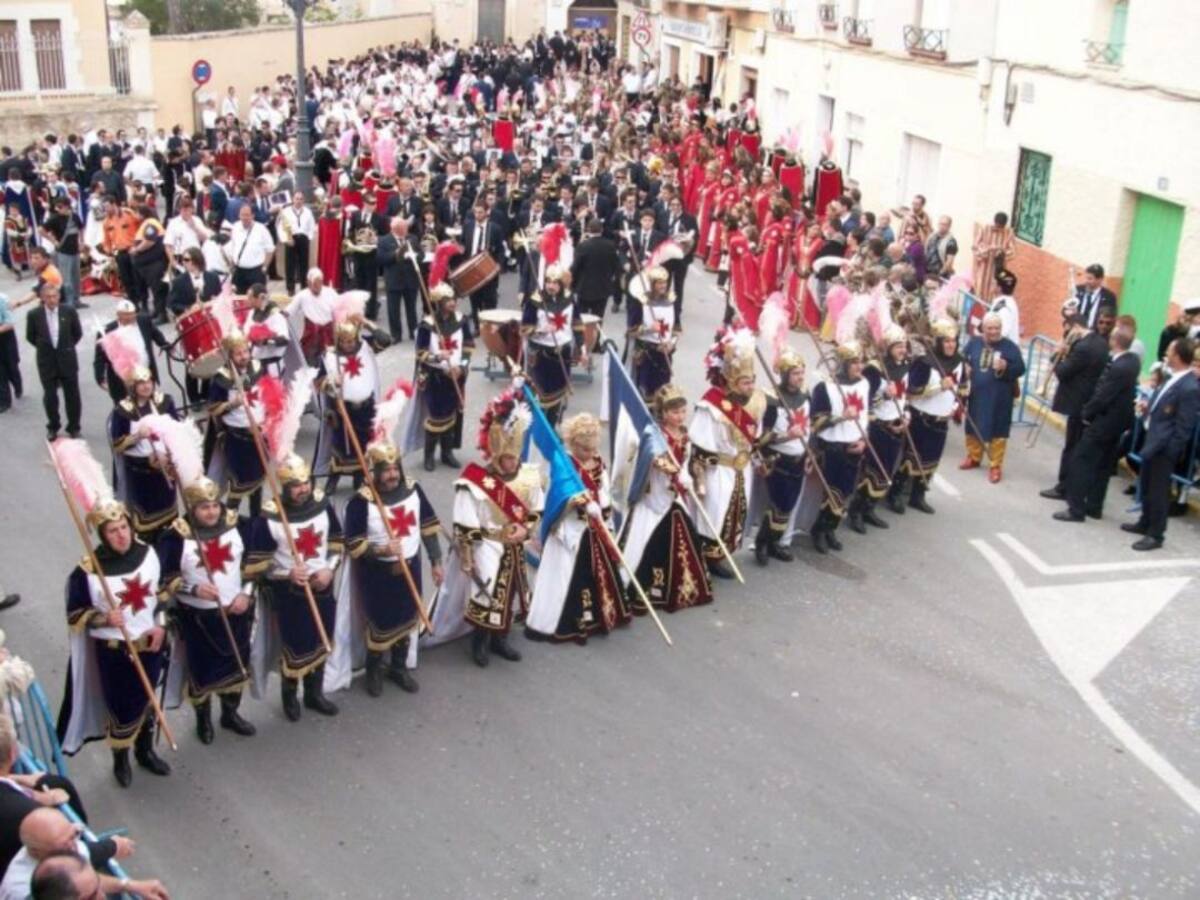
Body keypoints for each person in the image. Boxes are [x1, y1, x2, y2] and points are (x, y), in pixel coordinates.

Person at [62, 496, 170, 787]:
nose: (122, 535)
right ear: (102, 535)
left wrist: (160, 626)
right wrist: (104, 619)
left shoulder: (148, 553)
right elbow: (75, 614)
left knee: (148, 701)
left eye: (124, 527)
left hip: (150, 645)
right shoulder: (87, 572)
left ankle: (145, 751)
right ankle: (121, 760)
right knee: (122, 708)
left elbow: (159, 596)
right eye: (113, 531)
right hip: (115, 654)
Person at [157, 475, 256, 744]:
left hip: (236, 611)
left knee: (237, 665)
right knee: (202, 670)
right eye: (204, 507)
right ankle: (203, 720)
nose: (211, 511)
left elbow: (255, 564)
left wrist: (245, 595)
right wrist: (193, 589)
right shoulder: (176, 537)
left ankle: (230, 713)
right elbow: (165, 578)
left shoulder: (239, 524)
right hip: (199, 618)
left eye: (214, 505)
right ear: (192, 509)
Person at [246, 454, 343, 721]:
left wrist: (329, 568)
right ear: (285, 487)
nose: (304, 490)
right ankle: (290, 696)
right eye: (297, 486)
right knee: (295, 646)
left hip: (322, 587)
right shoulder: (270, 517)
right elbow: (256, 566)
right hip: (290, 595)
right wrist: (286, 573)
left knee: (322, 640)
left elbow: (337, 541)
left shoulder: (322, 504)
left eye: (306, 484)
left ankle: (314, 693)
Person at [344, 438, 443, 696]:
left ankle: (398, 667)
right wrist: (381, 549)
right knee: (381, 623)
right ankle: (374, 671)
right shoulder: (362, 502)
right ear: (374, 472)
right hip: (378, 575)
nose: (392, 475)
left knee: (408, 617)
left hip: (411, 567)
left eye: (395, 469)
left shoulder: (413, 489)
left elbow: (428, 526)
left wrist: (436, 561)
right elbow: (353, 544)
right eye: (386, 471)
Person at [526, 413, 630, 643]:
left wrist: (602, 507)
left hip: (595, 527)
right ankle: (558, 619)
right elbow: (555, 499)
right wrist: (573, 502)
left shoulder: (597, 462)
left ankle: (601, 615)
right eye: (585, 450)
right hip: (571, 529)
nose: (591, 454)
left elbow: (603, 489)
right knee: (567, 576)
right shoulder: (564, 466)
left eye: (594, 448)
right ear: (573, 444)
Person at [688, 330, 761, 578]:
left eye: (752, 381)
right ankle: (706, 558)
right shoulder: (711, 407)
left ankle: (721, 553)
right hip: (719, 471)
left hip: (741, 470)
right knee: (714, 514)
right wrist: (702, 473)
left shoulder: (750, 403)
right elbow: (699, 443)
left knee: (735, 512)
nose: (750, 387)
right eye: (745, 382)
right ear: (730, 380)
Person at [1053, 318, 1140, 523]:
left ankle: (1076, 508)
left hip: (1104, 422)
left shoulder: (1119, 367)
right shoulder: (1132, 361)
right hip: (1117, 423)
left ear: (1115, 341)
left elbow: (1103, 396)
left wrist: (1085, 414)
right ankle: (1094, 505)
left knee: (1082, 459)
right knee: (1103, 465)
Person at [1121, 337, 1200, 551]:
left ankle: (1156, 534)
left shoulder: (1189, 387)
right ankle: (1144, 521)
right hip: (1153, 440)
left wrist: (1171, 450)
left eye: (1170, 351)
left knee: (1158, 492)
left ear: (1178, 356)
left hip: (1164, 448)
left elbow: (1184, 426)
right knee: (1146, 485)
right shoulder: (1170, 378)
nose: (1166, 353)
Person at [890, 319, 968, 515]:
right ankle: (897, 494)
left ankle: (919, 495)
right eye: (947, 341)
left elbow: (964, 388)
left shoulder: (960, 362)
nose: (951, 345)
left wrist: (957, 406)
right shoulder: (925, 363)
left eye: (954, 341)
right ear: (939, 342)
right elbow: (912, 391)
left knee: (931, 459)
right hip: (921, 418)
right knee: (910, 459)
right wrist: (938, 387)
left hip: (941, 420)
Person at [3, 809, 168, 900]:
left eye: (74, 834)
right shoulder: (20, 891)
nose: (103, 898)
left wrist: (130, 885)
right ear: (36, 852)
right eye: (91, 897)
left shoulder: (63, 851)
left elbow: (84, 884)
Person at [1040, 308, 1113, 500]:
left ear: (1076, 327)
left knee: (1072, 447)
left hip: (1077, 402)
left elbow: (1062, 372)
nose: (1066, 336)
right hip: (1086, 401)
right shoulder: (1100, 342)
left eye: (1067, 331)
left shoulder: (1082, 347)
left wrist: (1060, 353)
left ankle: (1064, 486)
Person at [107, 357, 180, 544]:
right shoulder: (123, 411)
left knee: (171, 520)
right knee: (147, 522)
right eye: (141, 383)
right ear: (133, 387)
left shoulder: (165, 402)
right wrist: (138, 436)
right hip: (141, 474)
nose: (146, 387)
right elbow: (117, 444)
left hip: (166, 469)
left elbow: (178, 431)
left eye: (149, 382)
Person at [808, 341, 871, 553]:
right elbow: (814, 423)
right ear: (844, 364)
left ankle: (830, 529)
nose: (859, 366)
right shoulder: (825, 387)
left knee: (844, 492)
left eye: (860, 361)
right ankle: (819, 530)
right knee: (831, 493)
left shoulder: (864, 384)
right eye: (854, 362)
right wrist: (841, 417)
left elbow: (864, 418)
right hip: (832, 448)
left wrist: (864, 440)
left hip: (855, 446)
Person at [850, 327, 909, 534]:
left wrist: (906, 416)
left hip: (896, 426)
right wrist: (884, 395)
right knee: (871, 471)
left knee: (885, 472)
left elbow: (904, 399)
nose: (902, 350)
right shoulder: (874, 370)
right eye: (898, 346)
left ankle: (870, 509)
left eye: (904, 346)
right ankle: (856, 511)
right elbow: (865, 403)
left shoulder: (904, 367)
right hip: (878, 427)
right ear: (888, 347)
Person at [752, 351, 809, 564]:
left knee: (788, 505)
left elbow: (809, 427)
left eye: (802, 373)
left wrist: (810, 453)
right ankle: (762, 543)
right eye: (795, 373)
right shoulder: (772, 400)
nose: (800, 377)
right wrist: (787, 435)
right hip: (779, 460)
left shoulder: (805, 395)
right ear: (785, 374)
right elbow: (761, 437)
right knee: (779, 504)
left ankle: (775, 543)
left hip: (799, 459)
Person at [206, 330, 267, 517]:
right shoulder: (221, 377)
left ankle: (256, 520)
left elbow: (267, 393)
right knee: (240, 483)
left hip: (260, 434)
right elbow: (213, 409)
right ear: (230, 355)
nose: (244, 356)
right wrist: (233, 403)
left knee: (258, 481)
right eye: (238, 353)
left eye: (245, 352)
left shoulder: (256, 367)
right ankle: (230, 519)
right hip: (237, 438)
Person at [961, 313, 1026, 483]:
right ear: (983, 328)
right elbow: (962, 358)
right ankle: (974, 457)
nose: (994, 331)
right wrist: (965, 366)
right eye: (990, 328)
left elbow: (1020, 368)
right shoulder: (974, 342)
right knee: (973, 425)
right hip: (976, 394)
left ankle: (995, 465)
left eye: (997, 328)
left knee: (998, 430)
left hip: (1000, 397)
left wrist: (1006, 366)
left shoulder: (1010, 347)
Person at [414, 283, 473, 472]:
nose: (452, 303)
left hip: (456, 375)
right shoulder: (427, 325)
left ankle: (447, 453)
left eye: (453, 300)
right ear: (438, 303)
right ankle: (429, 455)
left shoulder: (461, 320)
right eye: (447, 301)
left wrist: (461, 368)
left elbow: (468, 347)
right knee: (436, 417)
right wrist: (438, 357)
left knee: (452, 414)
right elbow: (420, 353)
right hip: (435, 377)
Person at [319, 316, 379, 495]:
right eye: (344, 341)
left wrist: (367, 323)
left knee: (363, 446)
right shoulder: (330, 356)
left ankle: (359, 478)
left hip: (366, 407)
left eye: (351, 340)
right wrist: (331, 383)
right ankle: (333, 479)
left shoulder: (366, 348)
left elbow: (385, 340)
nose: (348, 345)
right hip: (343, 408)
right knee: (341, 447)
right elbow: (319, 382)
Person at [521, 264, 582, 427]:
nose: (551, 286)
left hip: (563, 352)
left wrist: (581, 347)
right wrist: (541, 330)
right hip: (541, 355)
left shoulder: (569, 299)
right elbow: (524, 327)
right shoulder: (535, 301)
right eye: (548, 282)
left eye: (555, 283)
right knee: (540, 393)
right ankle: (536, 425)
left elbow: (577, 324)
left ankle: (552, 426)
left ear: (561, 284)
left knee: (558, 393)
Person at [25, 283, 82, 441]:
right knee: (50, 396)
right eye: (48, 297)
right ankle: (53, 426)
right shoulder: (34, 314)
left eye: (54, 296)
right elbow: (31, 337)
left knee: (72, 395)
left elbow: (77, 333)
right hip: (47, 361)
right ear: (42, 298)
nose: (52, 300)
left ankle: (74, 427)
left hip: (67, 359)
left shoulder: (68, 311)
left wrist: (66, 347)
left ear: (59, 296)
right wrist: (47, 350)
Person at [93, 299, 167, 405]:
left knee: (149, 405)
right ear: (118, 315)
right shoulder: (107, 331)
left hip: (145, 375)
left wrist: (164, 344)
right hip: (121, 381)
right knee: (126, 410)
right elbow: (100, 358)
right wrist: (100, 378)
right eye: (126, 315)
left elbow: (155, 334)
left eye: (132, 314)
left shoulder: (144, 321)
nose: (130, 318)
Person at [627, 266, 676, 401]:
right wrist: (649, 329)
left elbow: (675, 329)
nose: (663, 286)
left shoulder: (671, 301)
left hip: (665, 352)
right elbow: (631, 332)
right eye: (659, 283)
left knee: (663, 392)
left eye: (665, 282)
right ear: (652, 284)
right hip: (647, 353)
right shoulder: (642, 303)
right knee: (645, 391)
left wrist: (671, 344)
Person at [458, 202, 503, 329]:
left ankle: (490, 326)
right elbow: (463, 245)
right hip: (472, 268)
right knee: (475, 300)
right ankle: (478, 327)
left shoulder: (494, 228)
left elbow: (501, 249)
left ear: (487, 212)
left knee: (490, 299)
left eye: (480, 212)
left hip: (488, 268)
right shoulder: (468, 226)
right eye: (475, 212)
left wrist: (499, 264)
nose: (477, 215)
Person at [376, 216, 421, 342]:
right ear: (396, 229)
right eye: (404, 228)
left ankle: (414, 331)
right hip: (394, 280)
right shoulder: (384, 240)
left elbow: (421, 254)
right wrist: (396, 254)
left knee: (411, 308)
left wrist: (415, 256)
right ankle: (396, 335)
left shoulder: (412, 238)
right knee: (393, 310)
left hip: (410, 278)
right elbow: (380, 259)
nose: (407, 230)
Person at [570, 218, 620, 318]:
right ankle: (596, 334)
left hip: (584, 287)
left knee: (582, 317)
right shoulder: (610, 245)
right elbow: (616, 265)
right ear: (602, 230)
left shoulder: (583, 246)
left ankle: (584, 334)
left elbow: (575, 267)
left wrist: (572, 283)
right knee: (598, 316)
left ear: (588, 230)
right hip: (603, 287)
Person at [227, 203, 275, 292]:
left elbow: (270, 249)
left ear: (253, 216)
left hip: (256, 271)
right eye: (242, 215)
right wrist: (231, 262)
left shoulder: (261, 229)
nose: (245, 218)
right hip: (239, 271)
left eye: (247, 215)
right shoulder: (235, 227)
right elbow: (233, 246)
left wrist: (264, 267)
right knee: (239, 299)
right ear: (239, 215)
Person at [972, 211, 1015, 303]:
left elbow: (1012, 252)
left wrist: (1002, 252)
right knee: (979, 291)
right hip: (984, 267)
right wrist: (988, 249)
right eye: (997, 226)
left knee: (995, 292)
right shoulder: (984, 228)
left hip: (998, 269)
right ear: (994, 222)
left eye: (1001, 227)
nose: (998, 228)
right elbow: (975, 247)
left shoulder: (1009, 233)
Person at [278, 192, 316, 295]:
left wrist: (309, 237)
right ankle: (290, 288)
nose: (298, 201)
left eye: (301, 199)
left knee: (304, 264)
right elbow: (281, 227)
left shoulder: (308, 212)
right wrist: (286, 240)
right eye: (297, 198)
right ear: (292, 199)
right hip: (291, 238)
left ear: (303, 200)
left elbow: (311, 226)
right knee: (290, 264)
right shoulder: (286, 212)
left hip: (303, 238)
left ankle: (304, 286)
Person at [166, 247, 221, 316]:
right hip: (192, 318)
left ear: (196, 260)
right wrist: (189, 308)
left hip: (214, 315)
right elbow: (172, 304)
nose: (183, 262)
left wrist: (216, 300)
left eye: (186, 260)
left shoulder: (213, 277)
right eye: (182, 259)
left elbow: (221, 296)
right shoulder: (178, 281)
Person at [1075, 263, 1119, 330]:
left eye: (1090, 279)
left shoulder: (1109, 297)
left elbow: (1111, 319)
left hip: (1094, 335)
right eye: (1086, 277)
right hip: (1076, 331)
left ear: (1100, 280)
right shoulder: (1078, 290)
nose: (1086, 281)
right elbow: (1066, 309)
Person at [0, 292, 22, 413]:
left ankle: (17, 385)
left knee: (11, 365)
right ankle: (4, 401)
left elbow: (9, 323)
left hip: (5, 335)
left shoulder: (2, 299)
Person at [988, 268, 1020, 343]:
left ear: (999, 288)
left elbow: (1002, 333)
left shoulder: (1005, 307)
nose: (991, 284)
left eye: (993, 283)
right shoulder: (1003, 302)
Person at [924, 215, 958, 279]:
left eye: (945, 224)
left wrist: (940, 273)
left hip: (940, 274)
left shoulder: (951, 241)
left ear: (949, 226)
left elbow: (949, 261)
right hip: (927, 271)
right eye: (940, 224)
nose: (942, 226)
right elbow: (926, 250)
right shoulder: (932, 236)